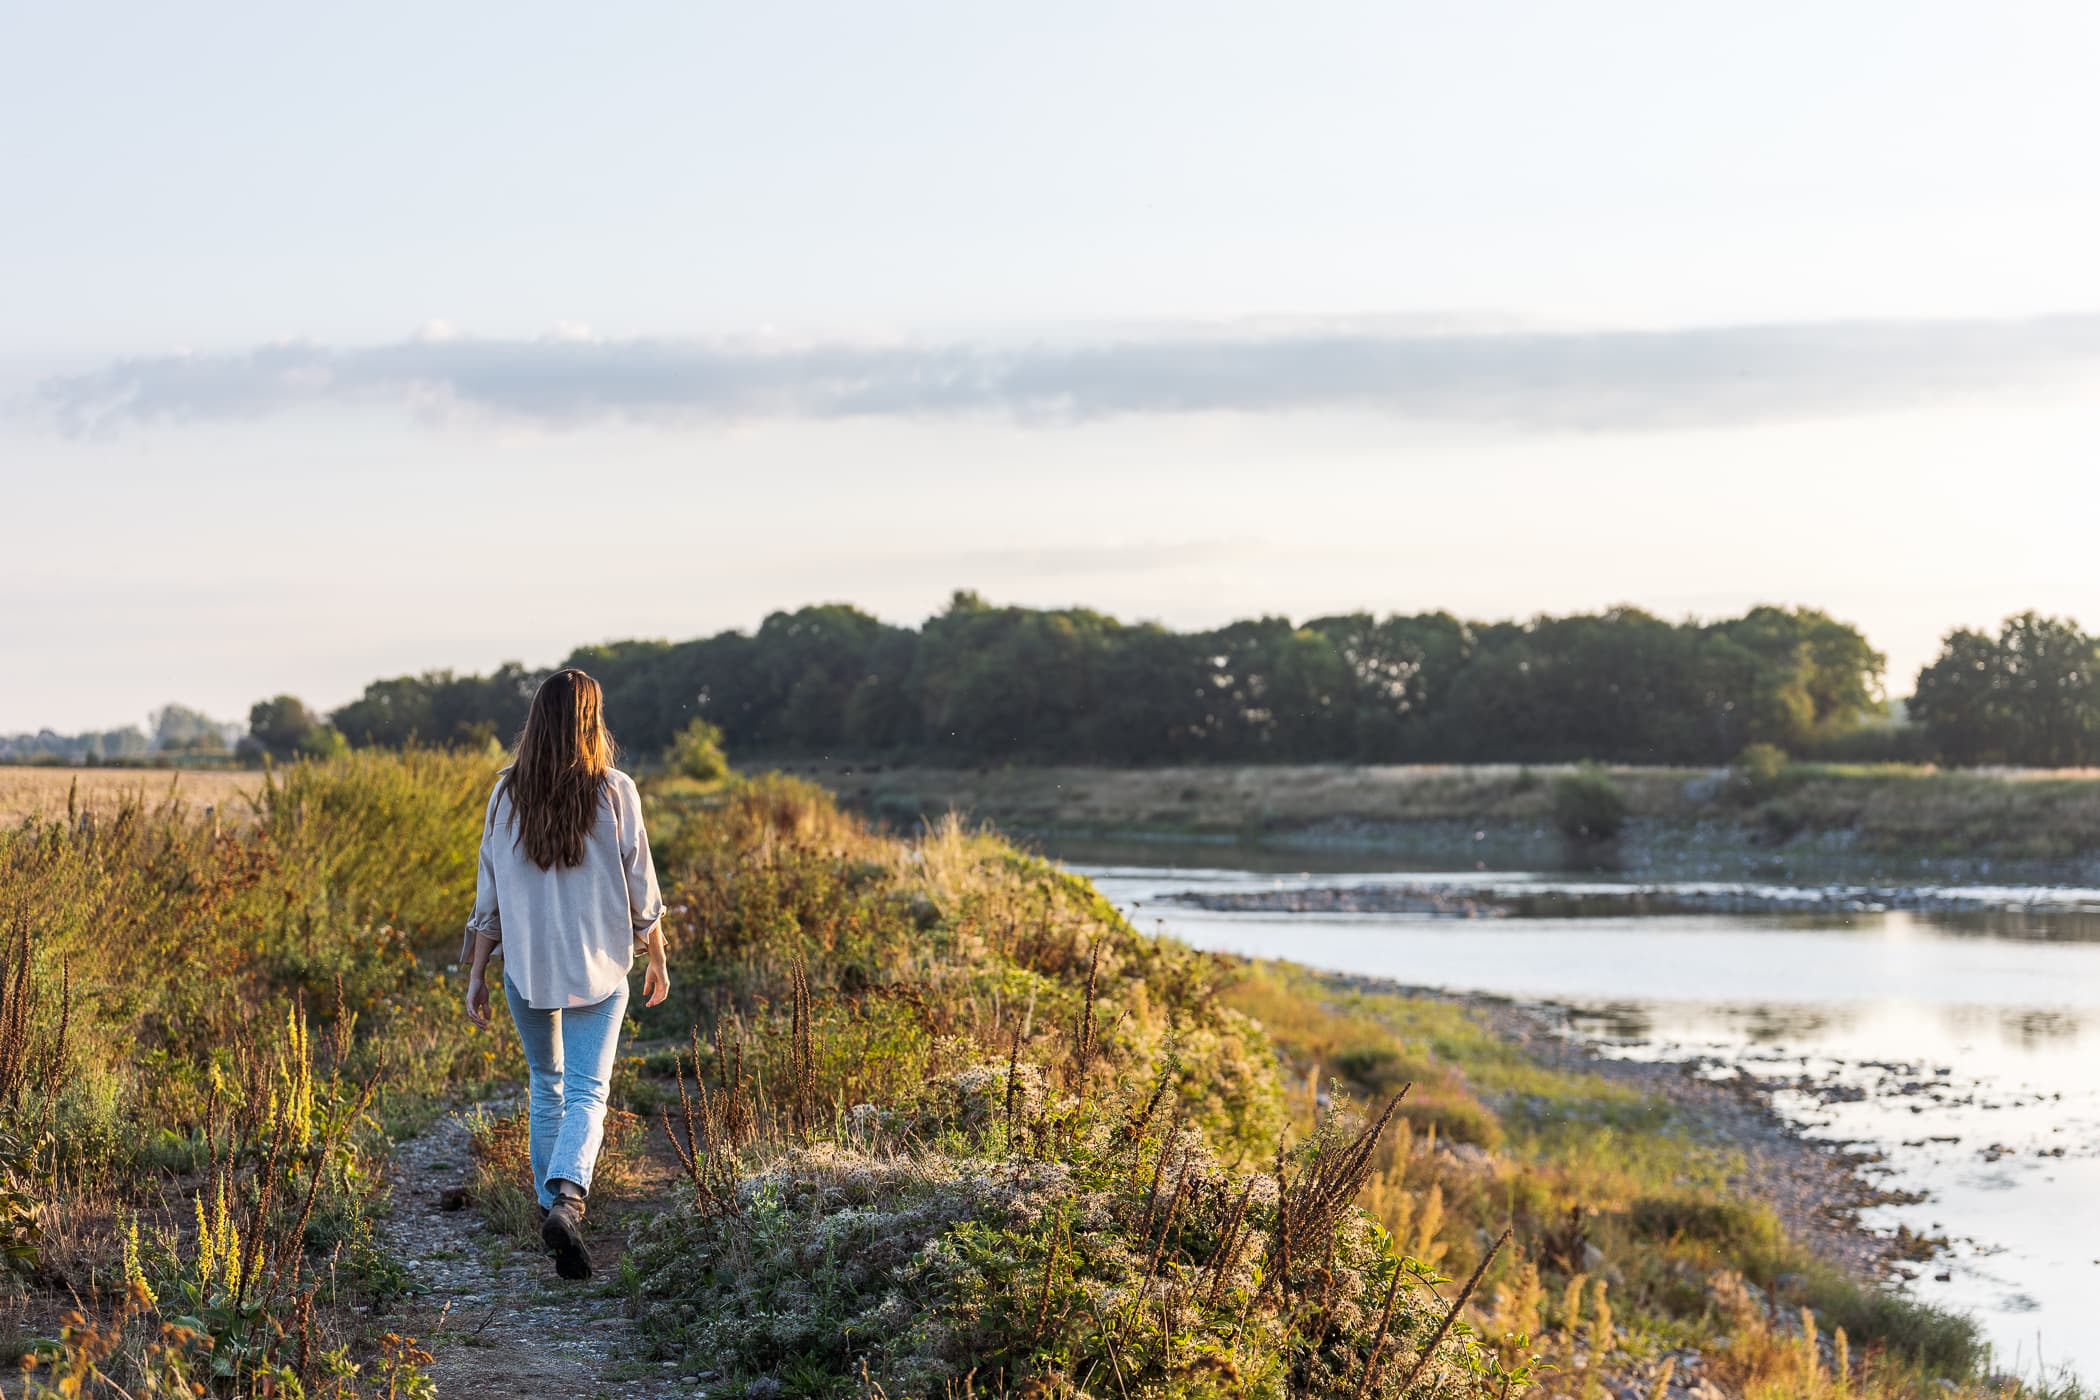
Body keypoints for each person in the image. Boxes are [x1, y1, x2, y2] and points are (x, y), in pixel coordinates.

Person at [461, 668, 670, 1280]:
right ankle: (570, 1201)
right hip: (600, 965)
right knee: (586, 1091)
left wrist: (477, 972)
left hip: (526, 967)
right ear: (591, 719)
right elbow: (642, 887)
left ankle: (550, 1208)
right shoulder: (615, 791)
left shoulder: (505, 794)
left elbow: (488, 896)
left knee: (545, 1084)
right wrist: (655, 952)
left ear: (536, 721)